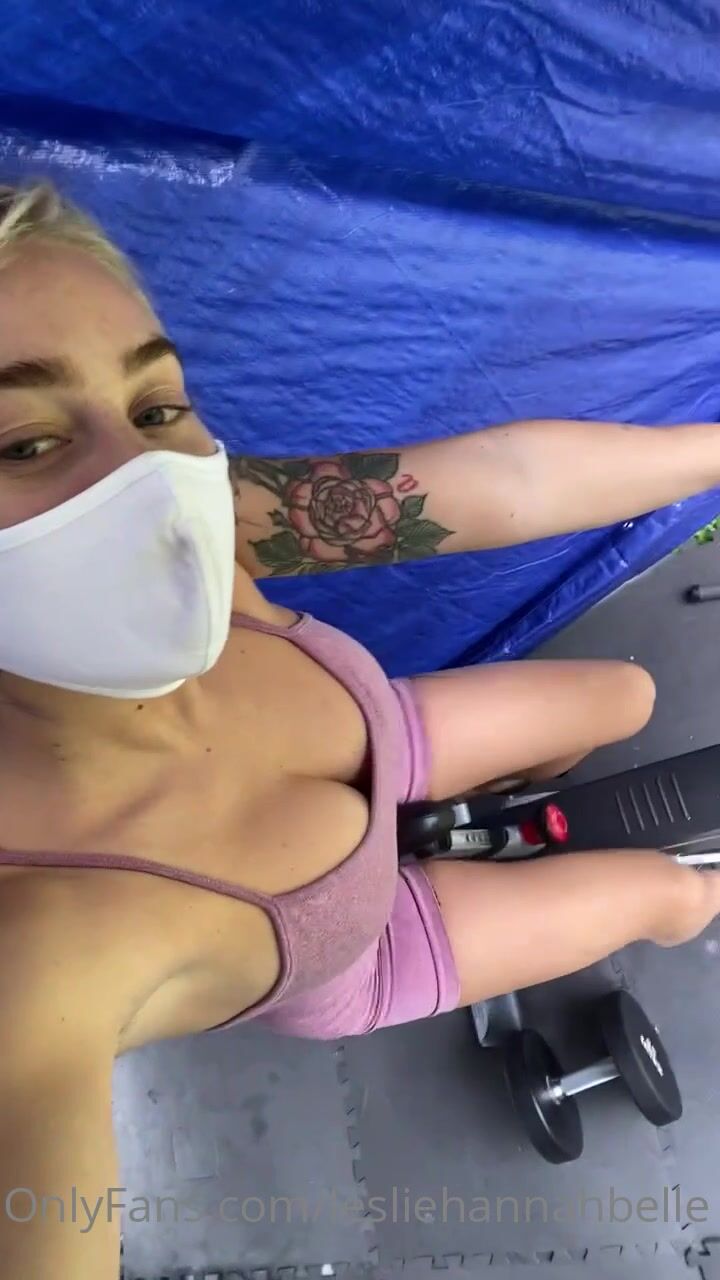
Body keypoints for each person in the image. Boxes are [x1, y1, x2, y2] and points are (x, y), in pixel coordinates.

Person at [0, 179, 718, 1278]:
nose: (145, 475)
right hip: (359, 938)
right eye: (22, 443)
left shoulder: (212, 519)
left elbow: (501, 482)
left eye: (154, 406)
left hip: (383, 735)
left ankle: (490, 812)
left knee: (623, 696)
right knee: (674, 897)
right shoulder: (46, 948)